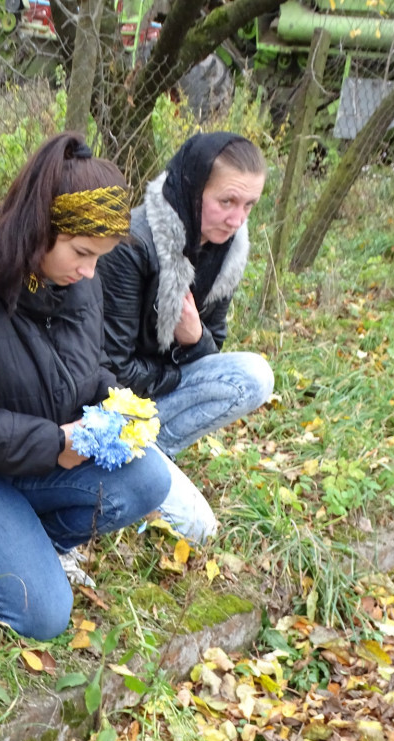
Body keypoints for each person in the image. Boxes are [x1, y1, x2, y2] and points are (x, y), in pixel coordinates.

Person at [0, 132, 171, 641]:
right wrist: (54, 445)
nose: (90, 271)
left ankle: (26, 539)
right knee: (42, 616)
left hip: (34, 450)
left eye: (100, 258)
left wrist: (114, 404)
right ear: (39, 225)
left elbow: (83, 368)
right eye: (82, 252)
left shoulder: (75, 278)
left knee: (149, 478)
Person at [97, 132, 273, 543]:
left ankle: (151, 458)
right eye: (226, 201)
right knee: (200, 528)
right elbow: (111, 369)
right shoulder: (133, 242)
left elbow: (213, 349)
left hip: (155, 397)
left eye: (249, 205)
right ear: (192, 189)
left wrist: (193, 340)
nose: (237, 219)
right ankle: (130, 464)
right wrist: (181, 361)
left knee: (256, 375)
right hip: (110, 407)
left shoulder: (227, 248)